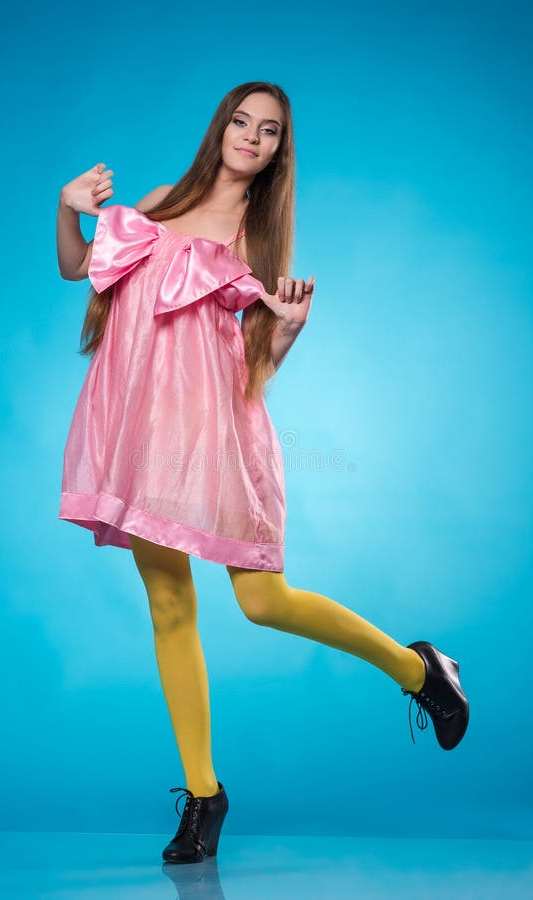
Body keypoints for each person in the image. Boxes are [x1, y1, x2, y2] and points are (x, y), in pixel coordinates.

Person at [56, 81, 469, 865]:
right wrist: (66, 207)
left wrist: (288, 334)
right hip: (134, 429)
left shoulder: (255, 238)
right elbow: (80, 269)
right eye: (241, 121)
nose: (250, 136)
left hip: (209, 434)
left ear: (279, 151)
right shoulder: (155, 202)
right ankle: (205, 799)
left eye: (268, 130)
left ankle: (416, 668)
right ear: (220, 128)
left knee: (259, 600)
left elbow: (253, 372)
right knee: (169, 606)